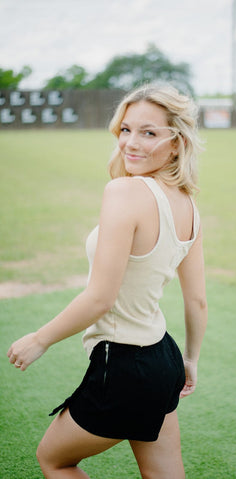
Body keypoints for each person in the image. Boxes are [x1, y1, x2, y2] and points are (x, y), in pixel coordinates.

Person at [7, 83, 208, 479]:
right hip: (163, 358)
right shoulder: (189, 205)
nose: (130, 143)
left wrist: (39, 339)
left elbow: (100, 298)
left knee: (54, 459)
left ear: (177, 142)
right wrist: (190, 360)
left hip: (124, 365)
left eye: (149, 133)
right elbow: (198, 301)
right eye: (126, 129)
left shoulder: (124, 192)